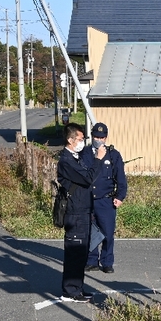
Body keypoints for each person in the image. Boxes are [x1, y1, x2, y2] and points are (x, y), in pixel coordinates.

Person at [57, 123, 106, 302]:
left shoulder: (76, 158)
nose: (82, 142)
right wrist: (99, 160)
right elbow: (87, 178)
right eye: (79, 139)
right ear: (70, 140)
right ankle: (69, 291)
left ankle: (77, 288)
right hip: (74, 212)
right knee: (74, 252)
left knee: (82, 252)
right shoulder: (66, 161)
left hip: (83, 210)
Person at [84, 122, 128, 274]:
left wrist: (120, 196)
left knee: (108, 233)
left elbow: (121, 178)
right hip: (88, 199)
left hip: (106, 200)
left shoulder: (113, 155)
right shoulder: (85, 153)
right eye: (96, 136)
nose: (99, 140)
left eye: (102, 137)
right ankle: (91, 260)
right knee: (90, 232)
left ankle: (107, 261)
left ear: (106, 137)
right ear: (92, 136)